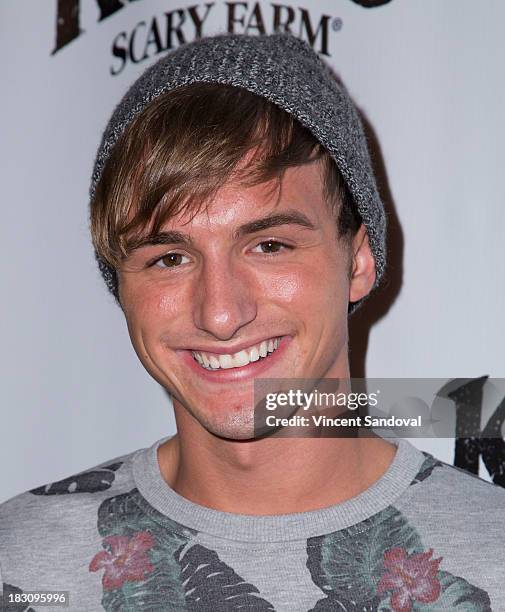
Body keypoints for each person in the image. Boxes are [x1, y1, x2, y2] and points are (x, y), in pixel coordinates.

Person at [1, 32, 503, 611]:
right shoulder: (17, 561)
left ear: (359, 261)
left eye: (269, 246)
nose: (219, 313)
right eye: (170, 258)